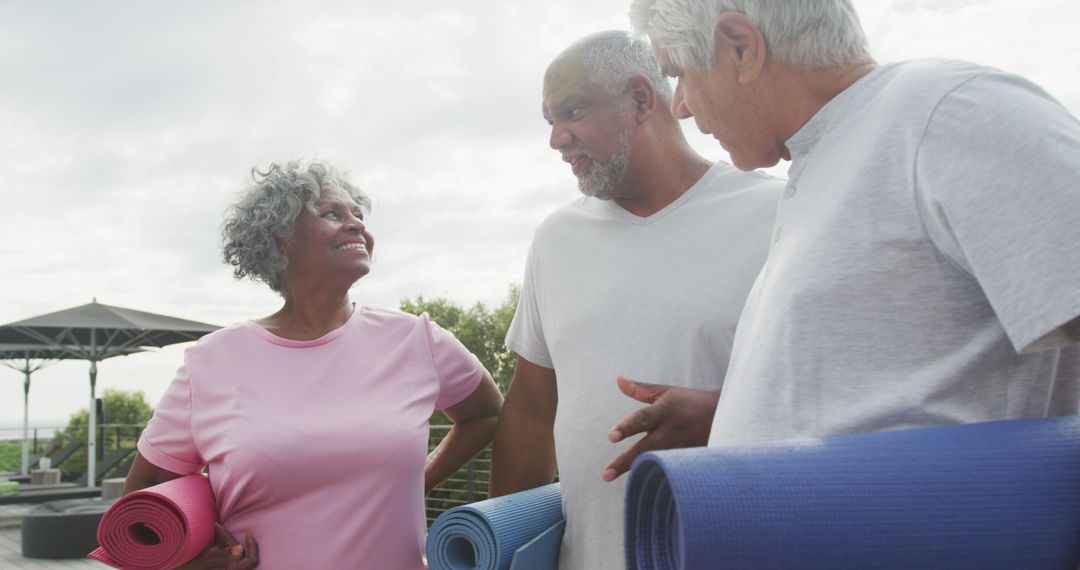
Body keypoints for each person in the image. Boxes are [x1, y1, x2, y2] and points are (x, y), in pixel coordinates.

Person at [621, 0, 1080, 450]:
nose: (679, 105)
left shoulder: (948, 109)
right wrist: (726, 411)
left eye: (678, 71)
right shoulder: (828, 156)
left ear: (741, 47)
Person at [489, 31, 782, 569]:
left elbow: (829, 395)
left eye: (572, 111)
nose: (557, 138)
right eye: (549, 121)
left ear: (643, 100)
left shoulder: (778, 214)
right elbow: (531, 409)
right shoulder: (555, 239)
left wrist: (724, 414)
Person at [123, 159, 504, 569]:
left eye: (359, 215)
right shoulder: (212, 361)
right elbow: (140, 498)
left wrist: (420, 481)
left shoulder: (417, 340)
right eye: (332, 214)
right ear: (281, 238)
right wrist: (193, 566)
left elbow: (487, 414)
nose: (357, 225)